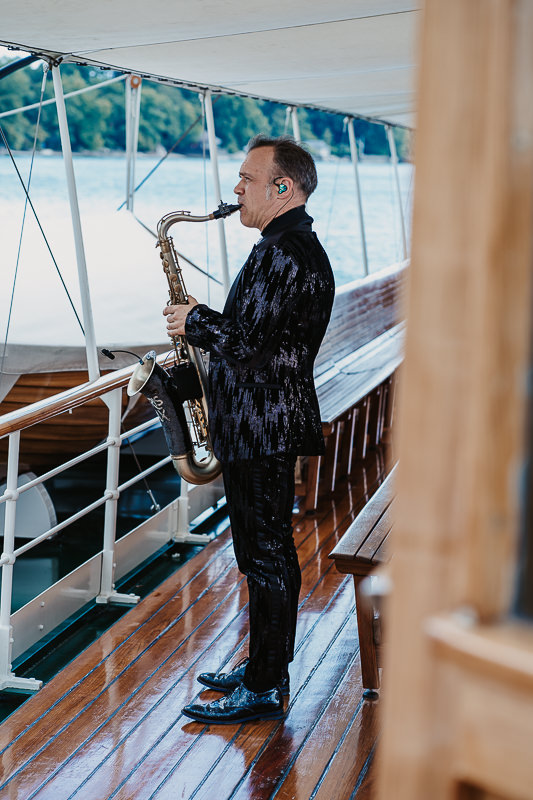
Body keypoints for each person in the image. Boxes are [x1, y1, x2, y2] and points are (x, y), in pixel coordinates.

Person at [164, 135, 335, 724]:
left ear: (282, 188)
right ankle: (262, 663)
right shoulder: (287, 246)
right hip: (264, 423)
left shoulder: (285, 252)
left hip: (263, 425)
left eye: (246, 179)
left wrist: (195, 320)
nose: (235, 189)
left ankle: (264, 685)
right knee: (262, 554)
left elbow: (245, 343)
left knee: (265, 557)